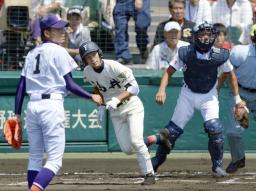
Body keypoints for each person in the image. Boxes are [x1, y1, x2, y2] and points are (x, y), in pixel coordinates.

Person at [14, 14, 103, 191]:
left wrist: (17, 113)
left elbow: (21, 85)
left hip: (32, 107)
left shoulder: (31, 54)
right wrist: (90, 96)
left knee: (35, 157)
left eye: (63, 28)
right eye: (58, 29)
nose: (63, 32)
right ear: (47, 33)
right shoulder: (59, 51)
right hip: (51, 106)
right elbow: (69, 84)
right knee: (54, 160)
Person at [144, 21, 243, 177]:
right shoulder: (185, 52)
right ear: (195, 36)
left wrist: (237, 99)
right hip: (188, 94)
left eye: (209, 34)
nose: (205, 37)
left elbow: (230, 75)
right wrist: (162, 90)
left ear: (213, 36)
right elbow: (168, 72)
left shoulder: (220, 54)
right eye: (202, 34)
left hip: (209, 96)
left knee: (215, 129)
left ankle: (217, 166)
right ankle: (156, 161)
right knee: (171, 132)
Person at [79, 40, 167, 185]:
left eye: (93, 54)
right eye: (87, 57)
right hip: (115, 112)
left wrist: (116, 99)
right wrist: (100, 106)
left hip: (132, 106)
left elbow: (134, 88)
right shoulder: (87, 72)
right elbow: (97, 87)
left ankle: (149, 174)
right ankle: (157, 138)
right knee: (127, 149)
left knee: (136, 141)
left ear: (99, 53)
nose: (92, 59)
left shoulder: (113, 66)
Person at [218, 24, 256, 173]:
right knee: (233, 132)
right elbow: (226, 72)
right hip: (240, 94)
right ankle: (238, 159)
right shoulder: (240, 52)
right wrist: (217, 89)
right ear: (253, 38)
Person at [113, 0, 151, 64]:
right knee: (120, 29)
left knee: (141, 25)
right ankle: (123, 56)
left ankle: (143, 48)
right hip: (121, 2)